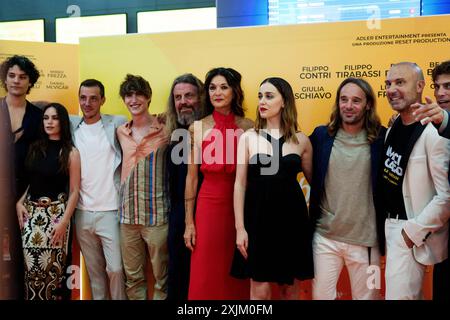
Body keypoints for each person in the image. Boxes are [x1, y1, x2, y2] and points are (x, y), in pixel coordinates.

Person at [230, 77, 314, 300]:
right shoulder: (248, 137)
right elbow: (239, 184)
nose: (262, 101)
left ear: (284, 101)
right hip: (257, 220)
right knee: (260, 291)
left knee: (291, 290)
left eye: (269, 96)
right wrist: (240, 228)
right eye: (260, 96)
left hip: (292, 221)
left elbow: (317, 183)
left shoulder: (302, 140)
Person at [309, 77, 385, 300]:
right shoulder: (322, 136)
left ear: (368, 104)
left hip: (368, 243)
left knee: (370, 298)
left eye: (355, 100)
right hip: (325, 239)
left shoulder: (382, 138)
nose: (348, 106)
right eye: (343, 99)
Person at [379, 62, 450, 300]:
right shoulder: (392, 128)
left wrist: (413, 231)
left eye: (400, 82)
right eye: (388, 83)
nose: (391, 89)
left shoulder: (434, 132)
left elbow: (446, 197)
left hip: (408, 230)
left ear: (420, 86)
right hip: (390, 229)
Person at [184, 67, 253, 300]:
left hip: (240, 207)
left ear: (234, 91)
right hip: (208, 206)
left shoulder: (248, 127)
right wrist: (189, 223)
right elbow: (191, 178)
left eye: (224, 87)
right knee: (206, 270)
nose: (217, 92)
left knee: (236, 272)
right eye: (212, 88)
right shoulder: (197, 127)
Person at [15, 103, 80, 300]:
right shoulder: (35, 148)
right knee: (29, 272)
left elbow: (75, 191)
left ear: (62, 121)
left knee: (53, 271)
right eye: (46, 118)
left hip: (56, 218)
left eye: (54, 118)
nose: (49, 122)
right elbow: (32, 181)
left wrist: (64, 223)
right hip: (31, 218)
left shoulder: (70, 152)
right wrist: (19, 202)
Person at [70, 79, 127, 300]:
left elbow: (143, 123)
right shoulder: (71, 125)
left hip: (111, 211)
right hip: (82, 213)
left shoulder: (117, 123)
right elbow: (43, 112)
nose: (88, 103)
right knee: (94, 275)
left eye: (94, 98)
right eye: (83, 98)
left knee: (115, 269)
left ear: (103, 100)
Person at [117, 74, 169, 300]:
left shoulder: (166, 128)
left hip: (157, 216)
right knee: (133, 278)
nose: (134, 99)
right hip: (128, 217)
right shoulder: (120, 131)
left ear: (148, 98)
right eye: (129, 95)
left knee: (162, 278)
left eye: (139, 94)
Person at [0, 55, 41, 299]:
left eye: (23, 77)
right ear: (5, 79)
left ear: (30, 82)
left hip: (24, 195)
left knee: (20, 253)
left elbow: (39, 161)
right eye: (12, 75)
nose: (17, 81)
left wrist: (23, 197)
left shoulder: (38, 116)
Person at [411, 60, 450, 300]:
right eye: (437, 87)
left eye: (448, 86)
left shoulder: (441, 122)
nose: (441, 92)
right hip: (442, 239)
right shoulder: (429, 124)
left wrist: (443, 122)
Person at [165, 73, 205, 300]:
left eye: (189, 95)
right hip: (178, 215)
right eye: (178, 97)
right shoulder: (171, 131)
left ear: (200, 97)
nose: (183, 102)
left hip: (208, 212)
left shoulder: (210, 130)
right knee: (178, 276)